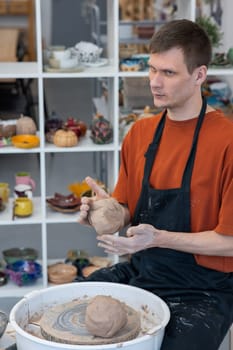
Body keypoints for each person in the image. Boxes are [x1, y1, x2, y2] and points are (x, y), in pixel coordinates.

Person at [78, 19, 233, 350]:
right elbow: (126, 211)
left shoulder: (227, 141)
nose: (154, 83)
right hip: (143, 272)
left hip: (204, 289)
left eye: (168, 73)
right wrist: (104, 211)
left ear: (199, 76)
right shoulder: (140, 134)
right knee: (78, 302)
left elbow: (230, 243)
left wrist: (159, 238)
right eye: (152, 70)